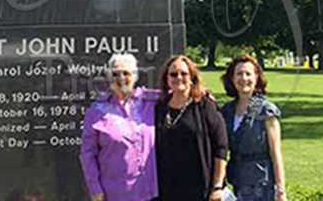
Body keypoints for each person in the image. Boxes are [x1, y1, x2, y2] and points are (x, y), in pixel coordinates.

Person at [79, 53, 160, 201]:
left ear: (135, 76)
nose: (121, 78)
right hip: (116, 193)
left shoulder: (151, 101)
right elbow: (87, 153)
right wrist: (95, 188)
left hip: (150, 191)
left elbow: (179, 95)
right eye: (115, 73)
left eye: (126, 73)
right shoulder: (96, 110)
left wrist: (202, 94)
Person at [155, 54, 227, 201]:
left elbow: (221, 148)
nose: (178, 77)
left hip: (200, 188)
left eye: (184, 73)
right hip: (167, 189)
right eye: (173, 74)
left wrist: (217, 186)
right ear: (166, 79)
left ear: (192, 77)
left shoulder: (205, 105)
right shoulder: (159, 107)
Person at [220, 54, 286, 201]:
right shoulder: (227, 111)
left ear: (256, 78)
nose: (244, 78)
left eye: (248, 74)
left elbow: (276, 153)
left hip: (261, 185)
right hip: (237, 182)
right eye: (239, 74)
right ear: (232, 79)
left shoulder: (266, 110)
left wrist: (281, 190)